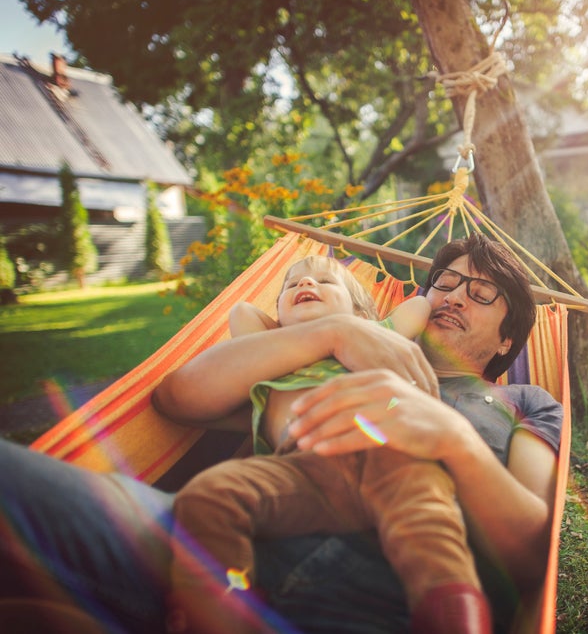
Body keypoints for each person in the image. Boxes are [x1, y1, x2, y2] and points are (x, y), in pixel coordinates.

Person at [0, 233, 562, 633]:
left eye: (482, 292)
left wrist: (455, 441)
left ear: (508, 341)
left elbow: (533, 550)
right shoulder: (324, 357)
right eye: (447, 281)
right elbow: (177, 398)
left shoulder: (524, 403)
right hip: (199, 555)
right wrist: (333, 333)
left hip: (381, 604)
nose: (454, 296)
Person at [165, 254, 489, 633]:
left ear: (364, 317)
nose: (305, 285)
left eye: (325, 282)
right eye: (293, 285)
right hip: (300, 473)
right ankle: (220, 611)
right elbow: (242, 312)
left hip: (386, 455)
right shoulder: (270, 362)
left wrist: (362, 326)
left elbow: (418, 305)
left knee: (430, 525)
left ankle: (454, 615)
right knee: (209, 495)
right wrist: (305, 328)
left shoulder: (379, 337)